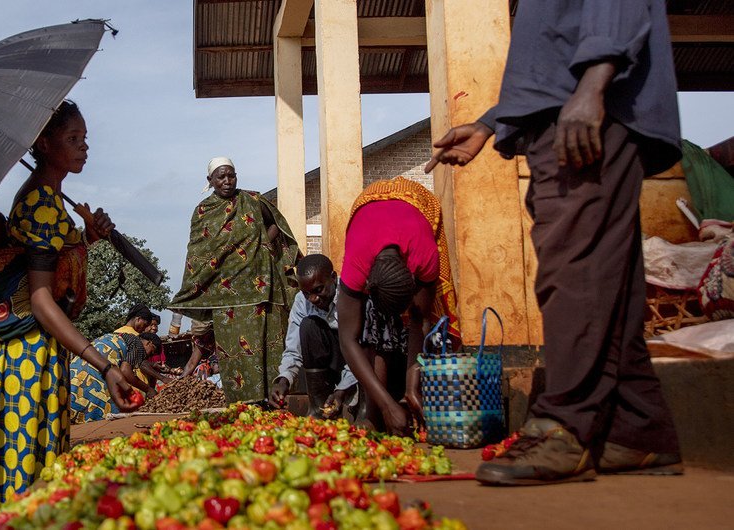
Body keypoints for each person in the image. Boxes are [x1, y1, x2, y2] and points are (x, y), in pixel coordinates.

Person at [426, 0, 683, 485]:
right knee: (609, 281)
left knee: (572, 275)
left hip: (586, 110)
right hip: (565, 108)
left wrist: (592, 84)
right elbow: (547, 54)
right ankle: (637, 429)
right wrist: (491, 123)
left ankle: (563, 424)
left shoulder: (591, 87)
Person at [0, 100, 139, 523]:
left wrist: (86, 238)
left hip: (34, 352)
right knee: (24, 468)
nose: (84, 147)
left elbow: (52, 271)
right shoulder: (40, 202)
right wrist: (104, 365)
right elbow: (41, 301)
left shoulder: (50, 201)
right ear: (43, 143)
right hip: (25, 356)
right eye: (72, 139)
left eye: (85, 138)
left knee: (24, 462)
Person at [333, 177, 462, 436]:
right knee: (371, 328)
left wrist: (412, 385)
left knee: (434, 313)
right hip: (369, 205)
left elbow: (421, 320)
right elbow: (348, 339)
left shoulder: (425, 256)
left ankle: (414, 398)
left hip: (417, 205)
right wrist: (387, 405)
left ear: (413, 278)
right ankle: (373, 411)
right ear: (368, 284)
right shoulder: (356, 264)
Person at [169, 157, 300, 403]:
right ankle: (243, 404)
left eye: (231, 175)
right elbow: (198, 252)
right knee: (235, 351)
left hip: (260, 287)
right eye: (221, 177)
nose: (227, 181)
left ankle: (275, 401)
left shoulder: (252, 201)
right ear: (210, 181)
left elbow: (276, 225)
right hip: (226, 295)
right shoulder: (203, 211)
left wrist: (262, 244)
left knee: (269, 344)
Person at [268, 254, 359, 418]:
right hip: (325, 371)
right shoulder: (301, 302)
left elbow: (361, 350)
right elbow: (293, 348)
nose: (313, 299)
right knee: (309, 325)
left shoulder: (350, 296)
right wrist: (283, 380)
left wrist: (342, 390)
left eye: (318, 290)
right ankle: (319, 407)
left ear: (333, 278)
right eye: (306, 293)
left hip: (357, 366)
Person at [70, 331, 161, 423]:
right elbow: (126, 371)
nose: (149, 355)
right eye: (152, 351)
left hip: (77, 370)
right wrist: (148, 389)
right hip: (96, 373)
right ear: (149, 343)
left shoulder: (119, 336)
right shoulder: (138, 344)